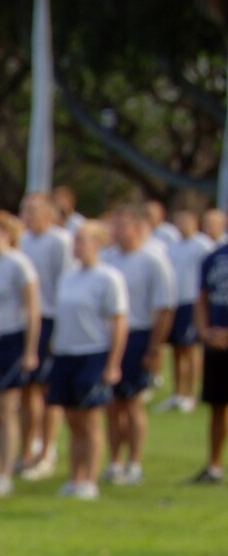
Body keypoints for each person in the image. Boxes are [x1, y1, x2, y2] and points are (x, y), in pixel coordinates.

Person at [47, 221, 128, 499]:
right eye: (75, 240)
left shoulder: (109, 278)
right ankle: (75, 476)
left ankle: (90, 479)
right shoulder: (68, 277)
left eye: (82, 240)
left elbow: (118, 322)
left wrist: (113, 363)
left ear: (97, 244)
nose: (76, 246)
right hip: (66, 353)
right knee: (72, 419)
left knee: (91, 418)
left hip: (93, 352)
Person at [104, 206, 175, 484]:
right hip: (110, 337)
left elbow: (164, 308)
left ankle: (134, 462)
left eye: (122, 226)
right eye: (114, 226)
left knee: (132, 403)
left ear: (136, 228)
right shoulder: (108, 259)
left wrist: (154, 347)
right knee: (112, 404)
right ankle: (114, 460)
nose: (116, 232)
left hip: (138, 334)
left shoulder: (153, 261)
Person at [0, 212, 41, 496]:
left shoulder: (19, 264)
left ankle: (6, 471)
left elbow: (32, 309)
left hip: (12, 338)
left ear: (6, 234)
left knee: (6, 408)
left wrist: (30, 349)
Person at [19, 193, 74, 478]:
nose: (26, 216)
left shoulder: (60, 241)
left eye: (32, 211)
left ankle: (47, 449)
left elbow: (65, 284)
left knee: (48, 388)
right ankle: (28, 446)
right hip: (28, 320)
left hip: (51, 318)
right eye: (24, 210)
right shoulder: (24, 241)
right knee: (27, 389)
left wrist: (61, 328)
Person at [165, 208, 215, 414]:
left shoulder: (203, 245)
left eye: (185, 221)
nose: (181, 225)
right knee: (176, 349)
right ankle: (178, 393)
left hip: (192, 301)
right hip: (175, 301)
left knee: (191, 348)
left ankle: (191, 394)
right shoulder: (173, 246)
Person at [192, 227, 228, 484]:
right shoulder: (213, 258)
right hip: (216, 344)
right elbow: (202, 298)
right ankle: (214, 465)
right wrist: (204, 331)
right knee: (217, 407)